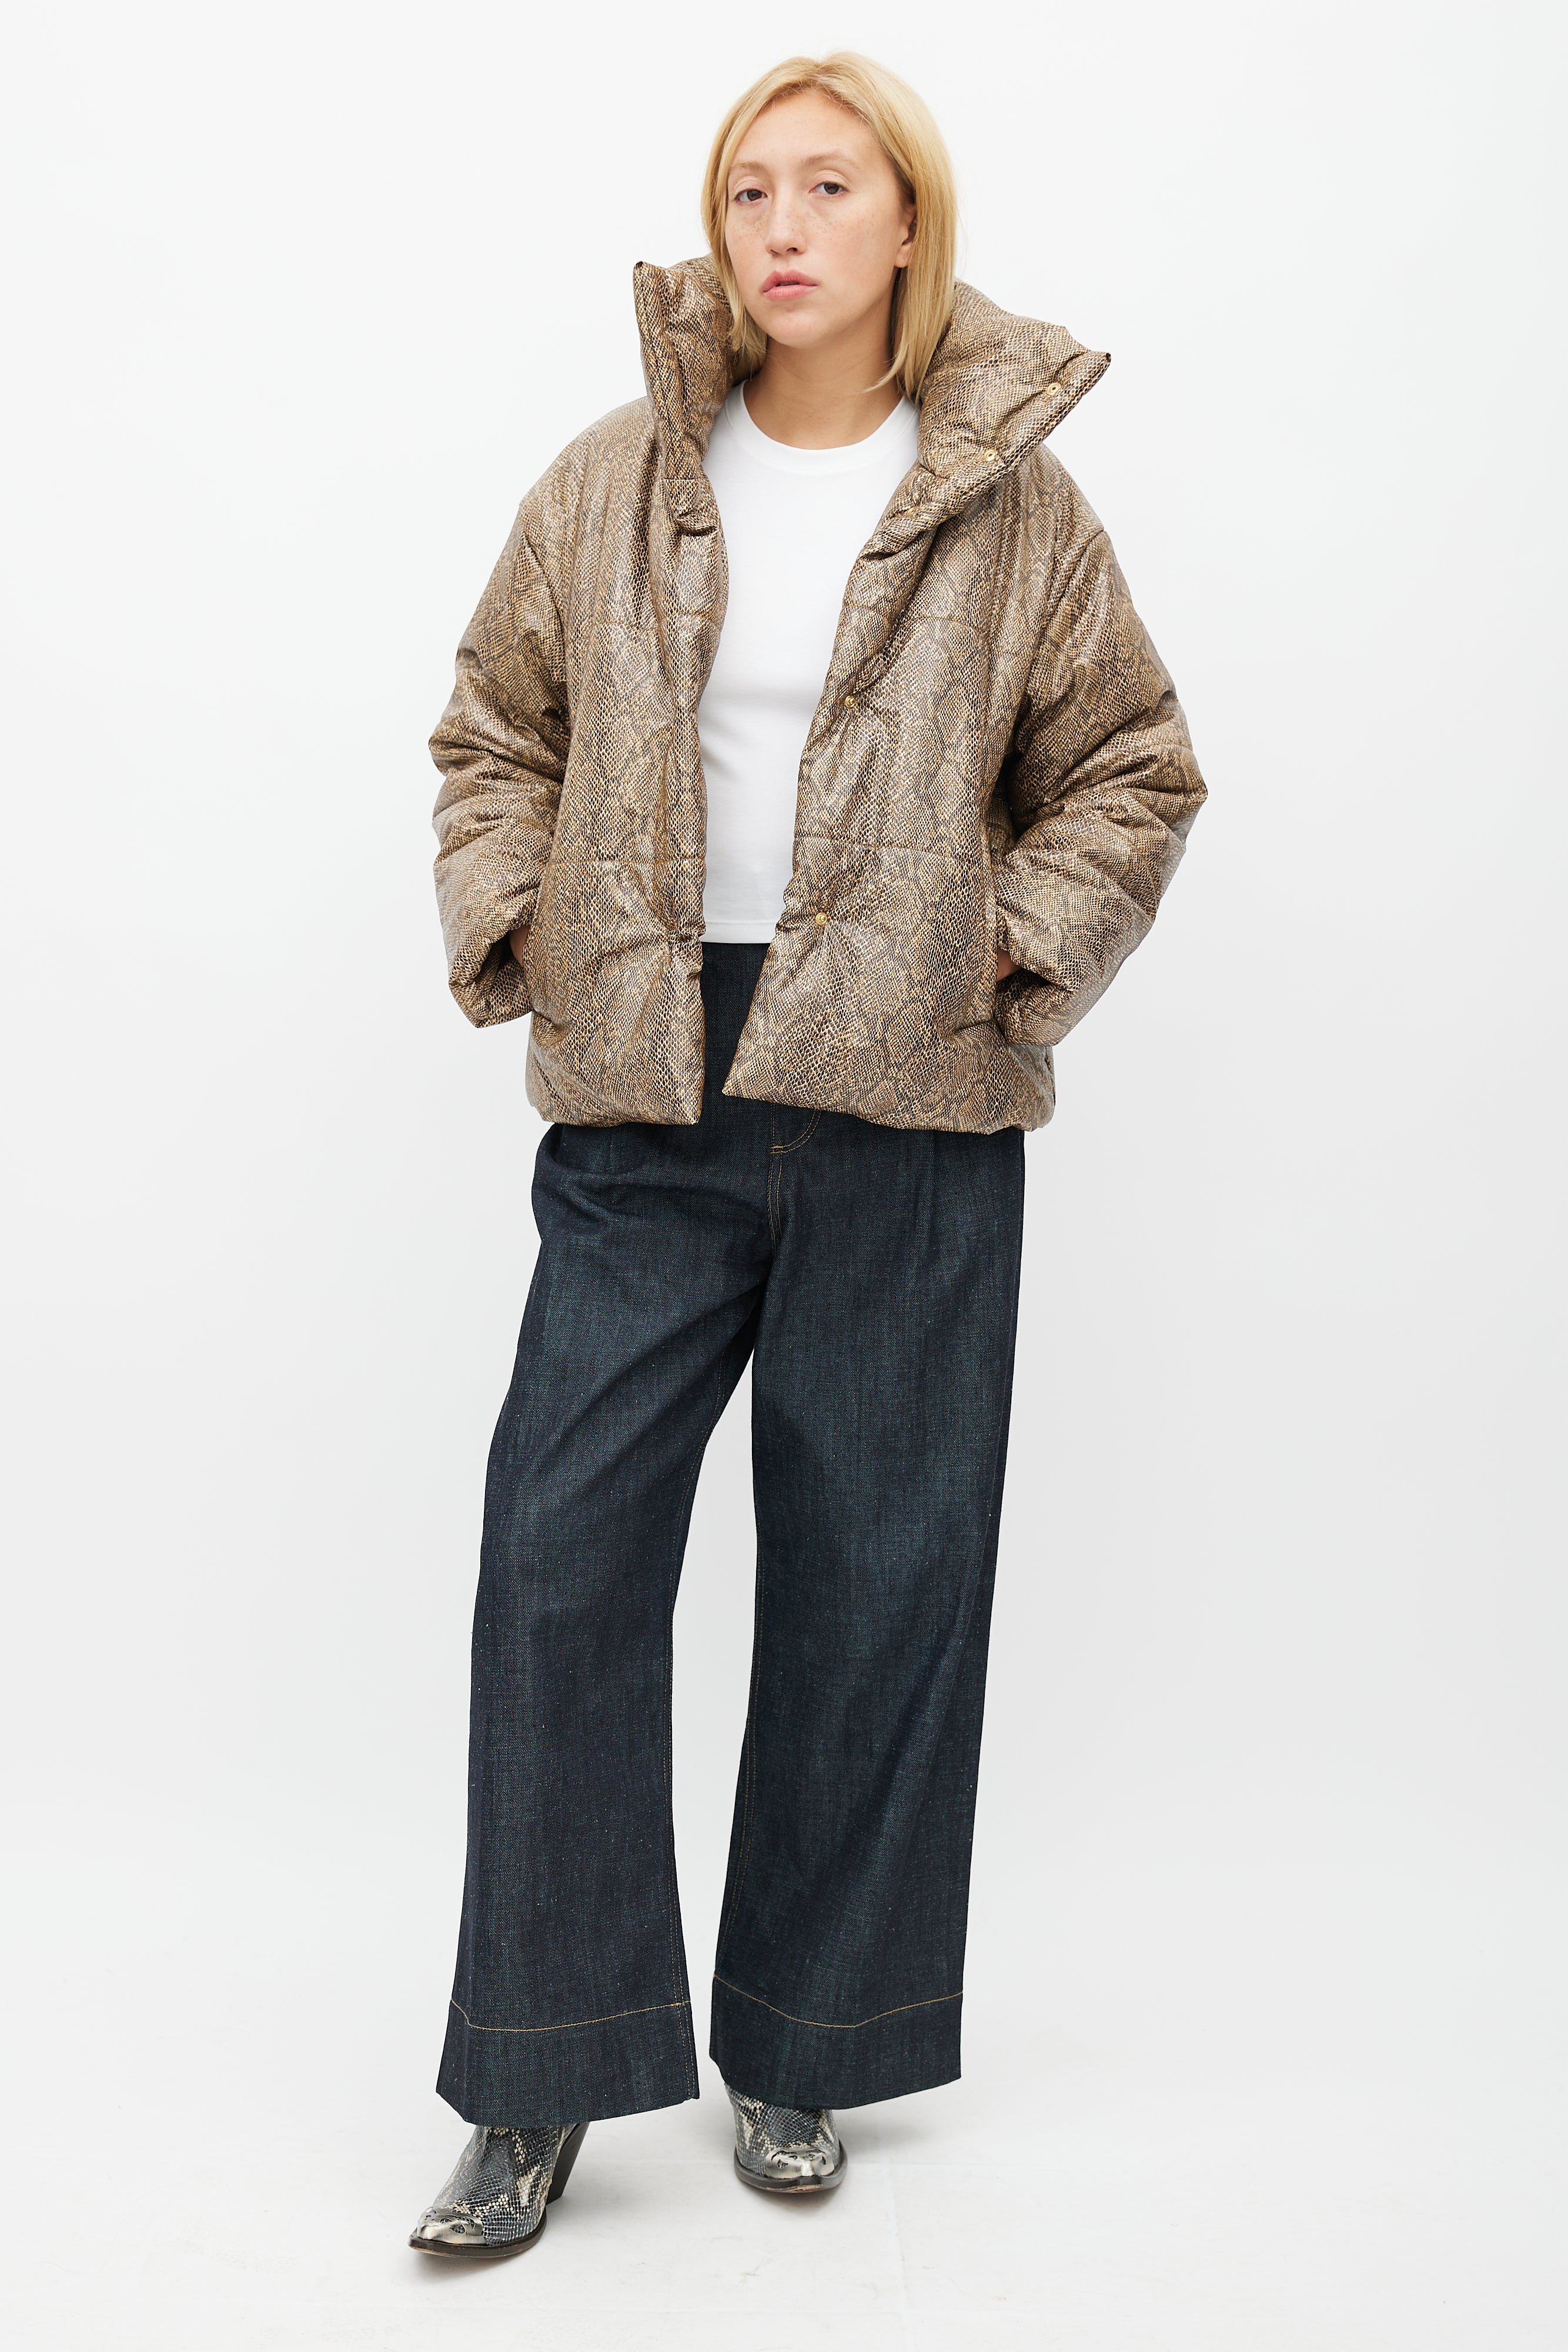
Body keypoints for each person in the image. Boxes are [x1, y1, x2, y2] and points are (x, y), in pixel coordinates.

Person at [409, 49, 1206, 2257]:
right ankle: (539, 2074)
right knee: (559, 1558)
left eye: (828, 186)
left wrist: (1003, 955)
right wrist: (525, 926)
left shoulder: (1011, 507)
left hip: (911, 1095)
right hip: (650, 1080)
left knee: (879, 1575)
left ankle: (805, 2039)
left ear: (905, 224)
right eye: (748, 188)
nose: (779, 225)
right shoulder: (614, 480)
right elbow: (493, 729)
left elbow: (1130, 764)